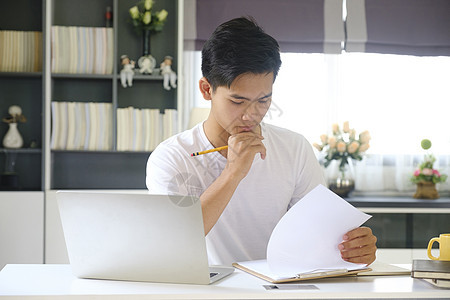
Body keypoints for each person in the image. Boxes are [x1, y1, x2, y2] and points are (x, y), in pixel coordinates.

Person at [146, 17, 377, 266]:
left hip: (280, 286)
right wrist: (233, 173)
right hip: (208, 289)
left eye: (263, 100)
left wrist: (354, 248)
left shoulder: (294, 148)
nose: (251, 115)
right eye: (237, 101)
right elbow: (173, 241)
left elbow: (321, 236)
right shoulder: (171, 156)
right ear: (206, 89)